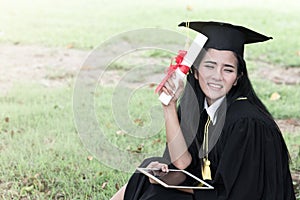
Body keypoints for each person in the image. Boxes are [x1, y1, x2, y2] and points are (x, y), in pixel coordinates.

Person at [111, 21, 296, 200]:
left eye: (228, 69)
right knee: (147, 176)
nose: (217, 76)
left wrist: (175, 186)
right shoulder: (200, 108)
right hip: (212, 193)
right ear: (196, 71)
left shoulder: (247, 123)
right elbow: (182, 164)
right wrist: (169, 107)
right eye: (209, 66)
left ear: (238, 77)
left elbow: (238, 193)